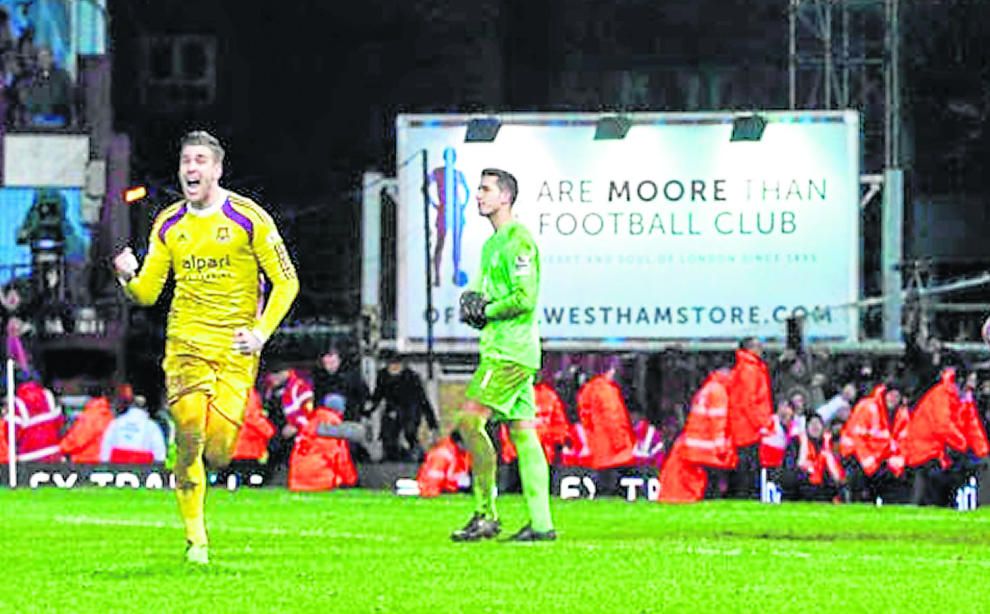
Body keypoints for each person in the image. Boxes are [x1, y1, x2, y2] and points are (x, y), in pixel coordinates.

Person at [113, 130, 299, 564]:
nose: (191, 169)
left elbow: (286, 281)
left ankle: (192, 460)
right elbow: (146, 293)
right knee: (191, 428)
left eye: (200, 161)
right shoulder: (169, 224)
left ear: (217, 168)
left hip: (235, 350)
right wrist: (127, 274)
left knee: (217, 452)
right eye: (185, 162)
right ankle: (196, 539)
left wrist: (260, 332)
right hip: (185, 347)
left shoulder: (248, 217)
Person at [449, 168, 555, 542]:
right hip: (504, 349)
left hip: (509, 352)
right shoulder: (492, 245)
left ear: (505, 197)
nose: (478, 196)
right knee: (525, 435)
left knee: (468, 421)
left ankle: (485, 514)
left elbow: (525, 299)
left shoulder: (518, 241)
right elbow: (478, 290)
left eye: (485, 190)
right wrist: (470, 300)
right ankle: (542, 525)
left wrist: (486, 310)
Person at [369, 352, 439, 462]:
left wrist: (432, 423)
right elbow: (378, 395)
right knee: (388, 435)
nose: (394, 368)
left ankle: (416, 450)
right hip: (392, 409)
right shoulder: (383, 376)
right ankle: (393, 452)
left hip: (411, 408)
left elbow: (423, 400)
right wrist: (368, 409)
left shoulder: (412, 377)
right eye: (391, 366)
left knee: (409, 431)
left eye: (397, 366)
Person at [727, 337, 774, 499]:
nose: (761, 348)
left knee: (747, 468)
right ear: (749, 348)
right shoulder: (749, 369)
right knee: (748, 469)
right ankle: (746, 497)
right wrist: (761, 424)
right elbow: (749, 401)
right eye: (757, 345)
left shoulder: (749, 368)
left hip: (745, 427)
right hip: (747, 429)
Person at [99, 395, 167, 464]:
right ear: (145, 408)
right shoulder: (151, 426)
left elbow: (106, 446)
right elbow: (159, 452)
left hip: (117, 465)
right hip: (143, 467)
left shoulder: (116, 422)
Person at [59, 389, 114, 464]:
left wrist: (59, 448)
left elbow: (76, 440)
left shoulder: (90, 416)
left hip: (85, 461)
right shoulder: (108, 414)